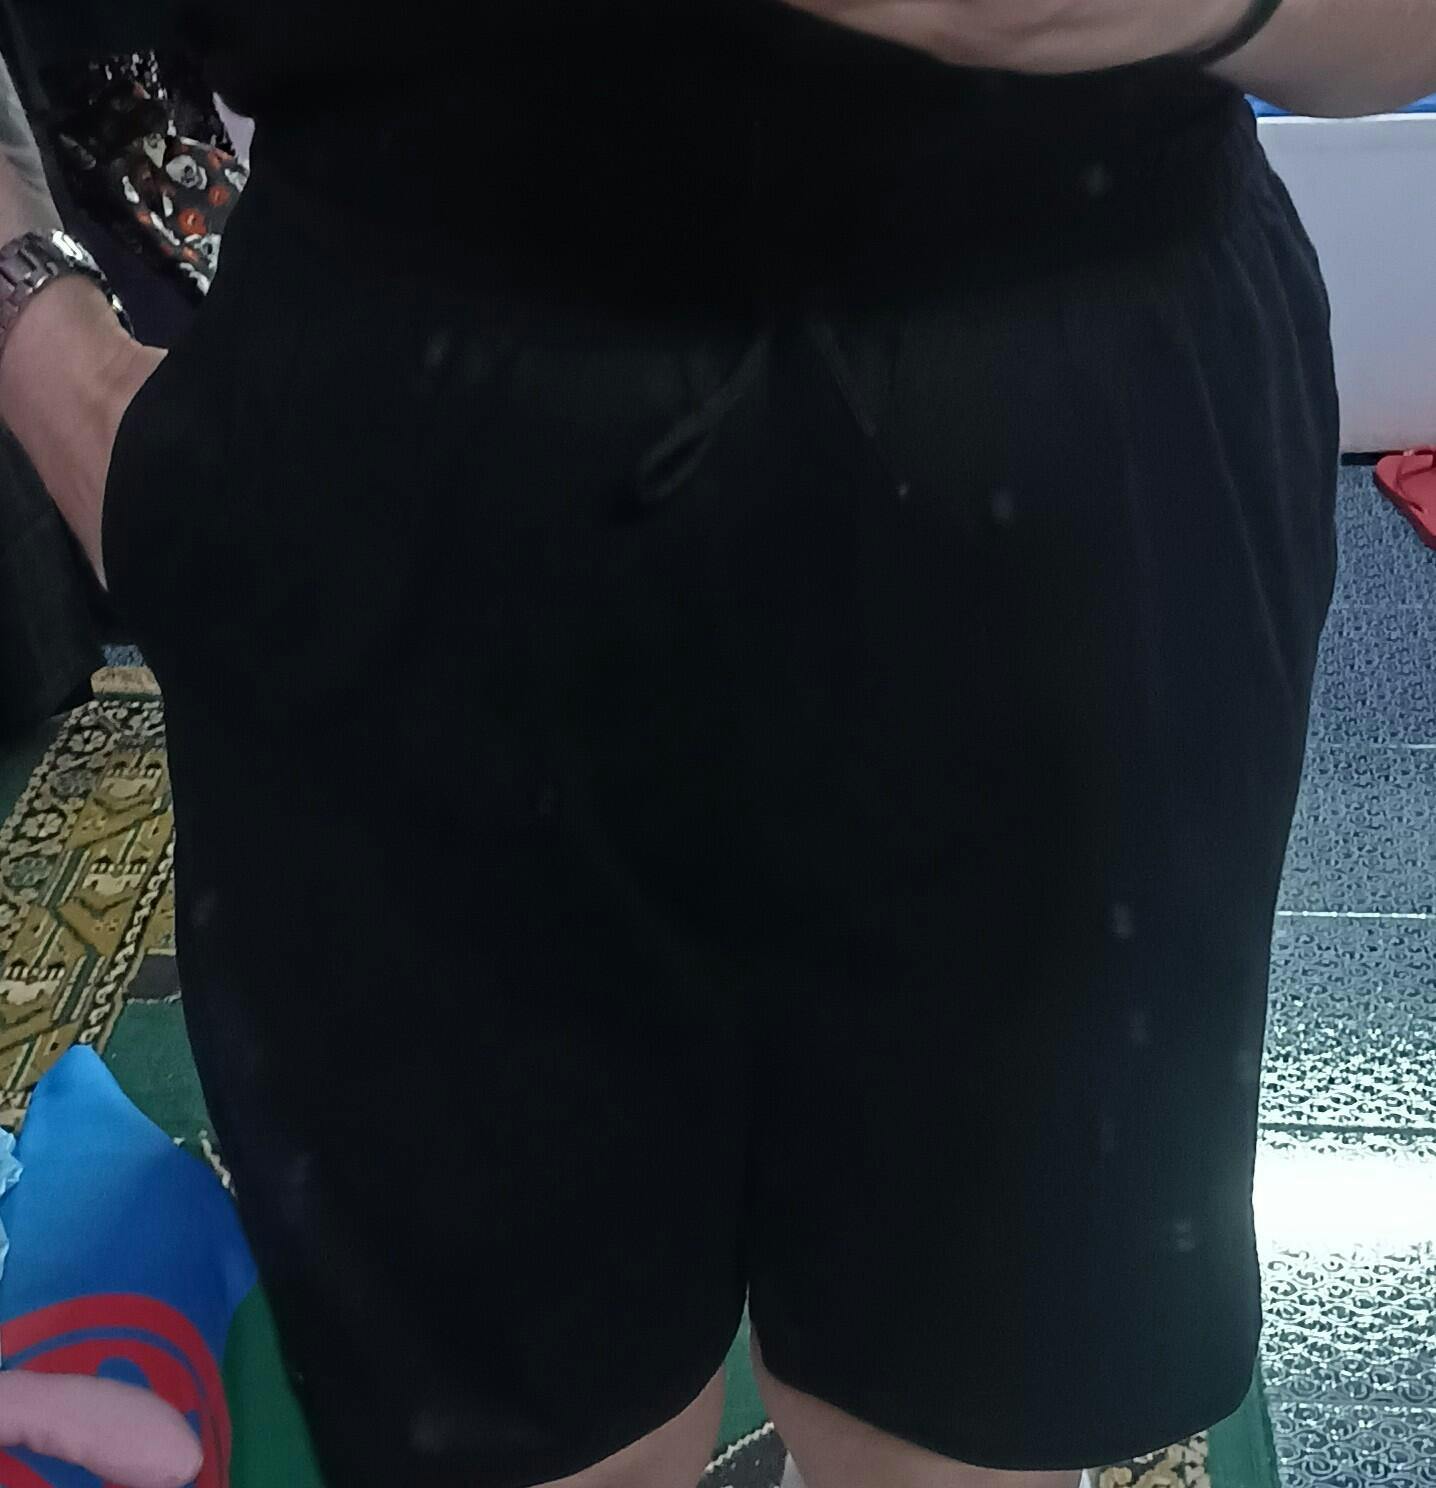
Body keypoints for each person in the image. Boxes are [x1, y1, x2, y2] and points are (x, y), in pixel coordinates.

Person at [0, 3, 1430, 1487]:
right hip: (404, 474)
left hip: (1065, 477)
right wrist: (44, 337)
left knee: (966, 1435)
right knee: (518, 1439)